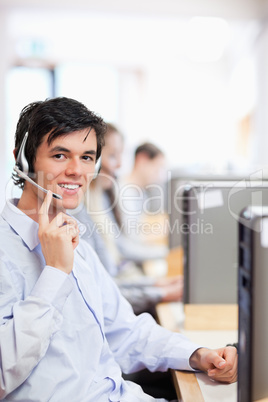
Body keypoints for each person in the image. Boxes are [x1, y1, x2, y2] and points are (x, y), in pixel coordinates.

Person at [0, 97, 237, 401]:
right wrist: (54, 273)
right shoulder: (7, 252)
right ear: (23, 160)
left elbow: (126, 332)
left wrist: (197, 354)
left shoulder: (78, 245)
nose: (77, 170)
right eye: (60, 155)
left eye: (87, 157)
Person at [74, 123, 183, 315]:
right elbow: (103, 288)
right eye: (112, 155)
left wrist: (156, 284)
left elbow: (112, 270)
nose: (119, 165)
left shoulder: (97, 201)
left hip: (124, 291)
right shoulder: (80, 211)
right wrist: (158, 291)